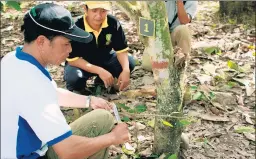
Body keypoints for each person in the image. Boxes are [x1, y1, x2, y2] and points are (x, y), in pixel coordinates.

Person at [1, 3, 129, 159]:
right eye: (66, 44)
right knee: (98, 137)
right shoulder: (33, 85)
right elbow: (68, 151)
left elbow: (51, 92)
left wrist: (89, 100)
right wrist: (112, 138)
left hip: (22, 147)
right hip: (31, 155)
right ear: (42, 41)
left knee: (103, 118)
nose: (69, 50)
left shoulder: (14, 59)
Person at [64, 1, 135, 94]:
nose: (99, 15)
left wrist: (126, 70)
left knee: (129, 62)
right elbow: (72, 59)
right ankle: (79, 90)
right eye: (94, 10)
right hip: (82, 63)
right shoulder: (76, 27)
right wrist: (100, 71)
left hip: (106, 58)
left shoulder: (113, 23)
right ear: (85, 9)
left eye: (103, 11)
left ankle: (101, 82)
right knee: (74, 77)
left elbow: (121, 50)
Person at [142, 0, 198, 70]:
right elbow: (144, 27)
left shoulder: (191, 2)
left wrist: (179, 2)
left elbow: (184, 21)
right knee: (148, 65)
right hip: (157, 38)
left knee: (184, 29)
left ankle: (181, 64)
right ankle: (169, 64)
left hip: (174, 38)